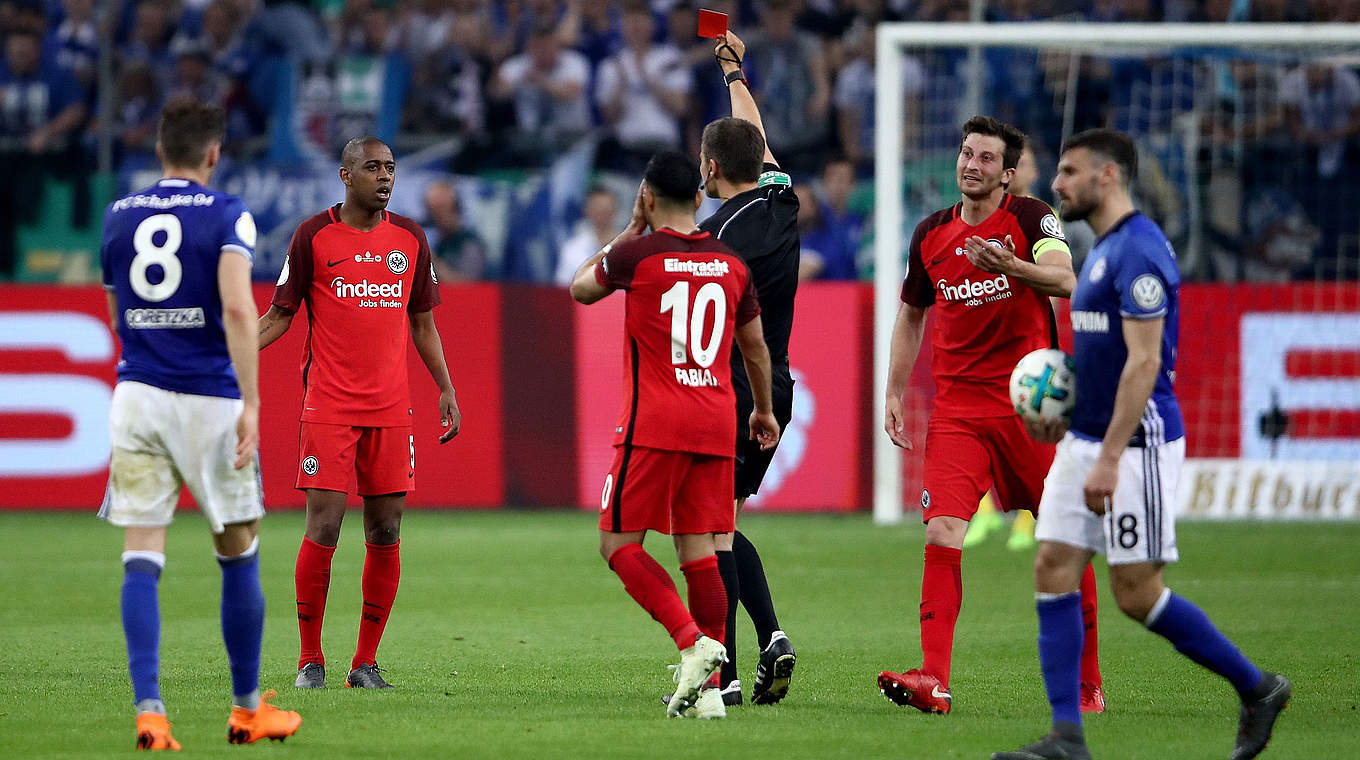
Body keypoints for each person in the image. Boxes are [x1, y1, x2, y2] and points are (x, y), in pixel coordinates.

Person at [993, 129, 1292, 760]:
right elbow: (1102, 360)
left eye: (1069, 171)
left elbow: (1144, 364)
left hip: (1137, 445)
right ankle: (1066, 736)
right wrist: (1066, 413)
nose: (1056, 182)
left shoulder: (1141, 252)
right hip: (1087, 438)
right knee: (1052, 565)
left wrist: (1107, 457)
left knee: (1135, 592)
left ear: (1108, 177)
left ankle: (1258, 688)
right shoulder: (1100, 252)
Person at [879, 116, 1105, 716]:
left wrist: (1010, 266)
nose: (970, 165)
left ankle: (1088, 684)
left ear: (1008, 175)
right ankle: (934, 678)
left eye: (985, 159)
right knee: (941, 531)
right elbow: (911, 314)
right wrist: (895, 390)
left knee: (1061, 541)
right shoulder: (930, 234)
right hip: (956, 411)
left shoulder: (1033, 219)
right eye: (965, 153)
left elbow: (1065, 278)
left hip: (1028, 411)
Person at [98, 99, 301, 750]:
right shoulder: (226, 213)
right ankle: (246, 711)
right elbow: (240, 310)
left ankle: (150, 714)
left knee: (142, 553)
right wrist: (253, 403)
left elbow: (115, 310)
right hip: (209, 397)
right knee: (238, 547)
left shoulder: (119, 216)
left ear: (159, 152)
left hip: (137, 393)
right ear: (214, 154)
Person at [569, 150, 781, 720]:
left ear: (646, 196)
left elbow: (580, 289)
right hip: (717, 420)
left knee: (618, 545)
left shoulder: (637, 254)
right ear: (698, 198)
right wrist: (763, 410)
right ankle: (710, 692)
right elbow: (755, 347)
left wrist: (628, 231)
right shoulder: (733, 263)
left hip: (654, 421)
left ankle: (693, 644)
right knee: (700, 549)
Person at [257, 136, 462, 690]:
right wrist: (233, 353)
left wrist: (445, 387)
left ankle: (364, 663)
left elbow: (423, 323)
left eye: (391, 168)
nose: (384, 177)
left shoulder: (411, 239)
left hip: (392, 409)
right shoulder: (312, 236)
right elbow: (280, 313)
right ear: (346, 176)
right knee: (323, 525)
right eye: (372, 167)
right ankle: (309, 660)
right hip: (328, 405)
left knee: (386, 528)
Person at [696, 28, 800, 707]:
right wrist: (735, 71)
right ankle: (769, 641)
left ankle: (725, 673)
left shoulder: (710, 243)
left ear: (707, 169)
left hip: (733, 393)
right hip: (780, 386)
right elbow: (756, 143)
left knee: (709, 534)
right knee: (725, 524)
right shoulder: (780, 202)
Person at [964, 142, 1041, 552]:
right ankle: (985, 512)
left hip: (1028, 338)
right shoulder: (982, 214)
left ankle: (1027, 522)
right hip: (985, 339)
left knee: (1028, 426)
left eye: (1028, 163)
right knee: (974, 422)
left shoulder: (1041, 218)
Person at [554, 185, 618, 286]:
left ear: (615, 210)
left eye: (606, 208)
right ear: (587, 211)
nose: (603, 212)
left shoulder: (629, 247)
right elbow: (562, 287)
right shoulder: (572, 249)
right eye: (598, 207)